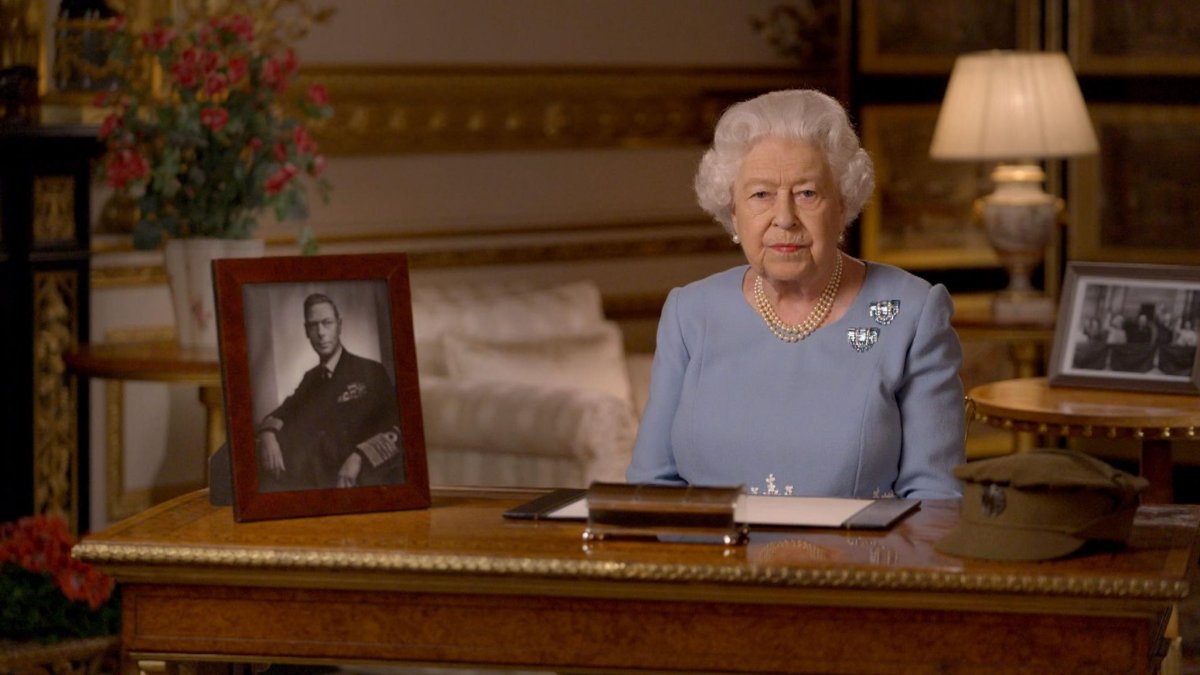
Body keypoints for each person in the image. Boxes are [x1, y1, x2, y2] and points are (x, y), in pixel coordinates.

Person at [626, 89, 964, 500]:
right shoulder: (690, 313)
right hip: (709, 560)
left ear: (842, 204)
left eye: (807, 193)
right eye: (760, 195)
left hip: (853, 563)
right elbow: (650, 487)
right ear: (733, 211)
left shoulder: (907, 313)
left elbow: (936, 502)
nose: (784, 219)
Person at [257, 293, 403, 492]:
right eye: (313, 325)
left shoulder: (371, 371)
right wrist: (268, 435)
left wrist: (359, 457)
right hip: (320, 484)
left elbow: (396, 428)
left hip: (365, 480)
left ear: (339, 325)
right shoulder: (310, 379)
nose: (321, 333)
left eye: (327, 323)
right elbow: (284, 411)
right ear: (306, 331)